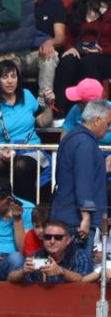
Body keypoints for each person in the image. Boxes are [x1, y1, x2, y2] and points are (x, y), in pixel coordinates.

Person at [0, 57, 51, 195]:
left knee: (21, 165)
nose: (10, 81)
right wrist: (1, 153)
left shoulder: (27, 95)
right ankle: (1, 205)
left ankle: (24, 206)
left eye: (13, 76)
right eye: (5, 77)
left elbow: (42, 121)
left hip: (31, 149)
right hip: (2, 150)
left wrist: (48, 105)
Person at [51, 98, 110, 244]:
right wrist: (86, 217)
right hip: (76, 221)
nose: (108, 128)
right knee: (79, 265)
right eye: (108, 124)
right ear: (97, 120)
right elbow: (83, 182)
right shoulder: (85, 143)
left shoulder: (72, 137)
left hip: (65, 215)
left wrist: (103, 169)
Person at [9, 216, 96, 282]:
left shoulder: (78, 255)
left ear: (68, 240)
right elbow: (10, 278)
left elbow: (83, 280)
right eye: (47, 237)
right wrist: (23, 272)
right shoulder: (37, 256)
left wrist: (61, 271)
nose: (52, 241)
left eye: (58, 237)